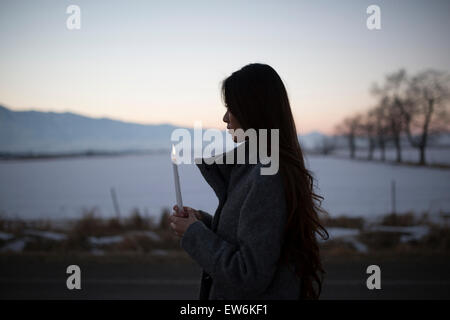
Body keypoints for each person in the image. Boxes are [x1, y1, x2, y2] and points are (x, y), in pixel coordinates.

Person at [169, 63, 329, 300]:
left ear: (253, 110)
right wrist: (202, 223)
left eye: (231, 108)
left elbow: (248, 275)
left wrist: (194, 234)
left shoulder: (267, 176)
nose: (225, 118)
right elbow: (256, 239)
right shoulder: (258, 168)